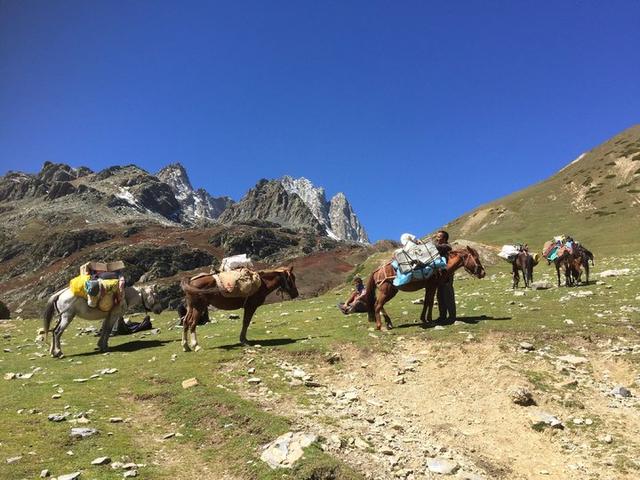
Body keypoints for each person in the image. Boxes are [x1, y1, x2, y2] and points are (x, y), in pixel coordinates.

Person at [434, 230, 456, 323]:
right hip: (440, 275)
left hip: (447, 274)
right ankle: (442, 316)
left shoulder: (446, 247)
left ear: (445, 238)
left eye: (439, 237)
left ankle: (452, 317)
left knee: (448, 295)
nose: (437, 238)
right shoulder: (439, 247)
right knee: (440, 296)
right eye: (437, 236)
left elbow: (436, 247)